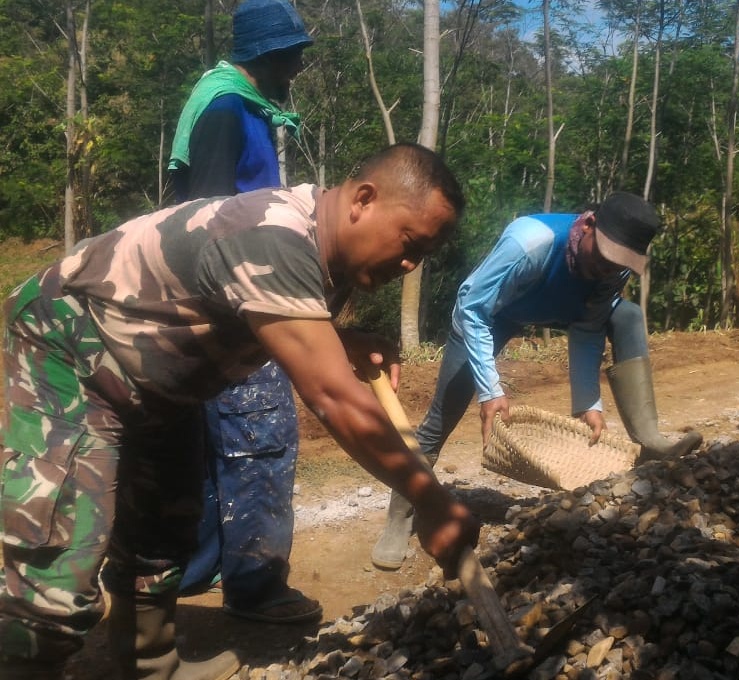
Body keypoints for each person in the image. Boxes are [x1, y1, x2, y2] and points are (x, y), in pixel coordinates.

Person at [0, 142, 480, 680]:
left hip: (160, 376)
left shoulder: (333, 252)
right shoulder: (274, 234)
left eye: (425, 254)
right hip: (72, 348)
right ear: (363, 200)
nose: (411, 263)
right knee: (59, 548)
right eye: (410, 242)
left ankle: (150, 664)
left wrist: (338, 338)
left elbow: (254, 310)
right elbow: (333, 398)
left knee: (166, 519)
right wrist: (429, 498)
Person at [371, 191, 703, 570]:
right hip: (486, 314)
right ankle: (402, 513)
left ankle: (650, 438)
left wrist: (588, 403)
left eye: (618, 264)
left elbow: (588, 328)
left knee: (624, 315)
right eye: (604, 258)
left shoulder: (615, 267)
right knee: (442, 415)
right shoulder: (530, 242)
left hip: (556, 309)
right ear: (589, 224)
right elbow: (472, 307)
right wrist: (491, 391)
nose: (607, 270)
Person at [168, 0, 320, 624]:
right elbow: (206, 218)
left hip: (229, 295)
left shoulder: (239, 104)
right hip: (237, 301)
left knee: (214, 444)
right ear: (265, 53)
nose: (298, 64)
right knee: (258, 436)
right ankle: (256, 587)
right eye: (292, 53)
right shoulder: (228, 110)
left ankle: (198, 568)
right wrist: (249, 310)